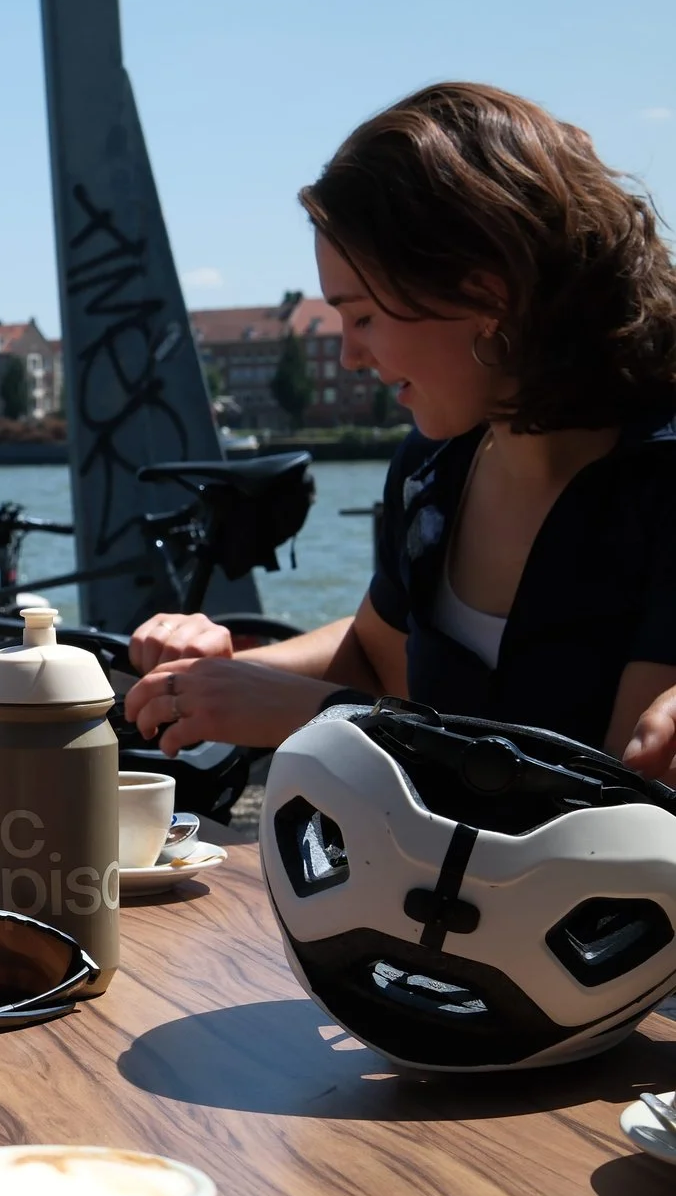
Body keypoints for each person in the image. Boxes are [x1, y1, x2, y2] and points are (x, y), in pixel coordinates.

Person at [124, 82, 676, 770]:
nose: (353, 356)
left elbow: (623, 789)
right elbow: (376, 658)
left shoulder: (659, 481)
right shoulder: (432, 468)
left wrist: (324, 717)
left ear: (485, 291)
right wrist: (214, 671)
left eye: (363, 317)